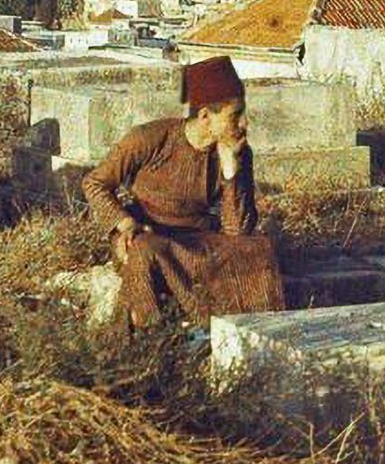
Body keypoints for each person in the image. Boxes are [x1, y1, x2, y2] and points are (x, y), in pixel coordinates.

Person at [80, 55, 286, 328]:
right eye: (235, 115)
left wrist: (230, 170)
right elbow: (94, 183)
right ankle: (151, 337)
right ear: (205, 117)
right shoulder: (150, 138)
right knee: (144, 252)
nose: (245, 124)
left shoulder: (237, 151)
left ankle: (245, 333)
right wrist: (125, 222)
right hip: (147, 234)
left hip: (197, 241)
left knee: (258, 249)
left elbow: (238, 232)